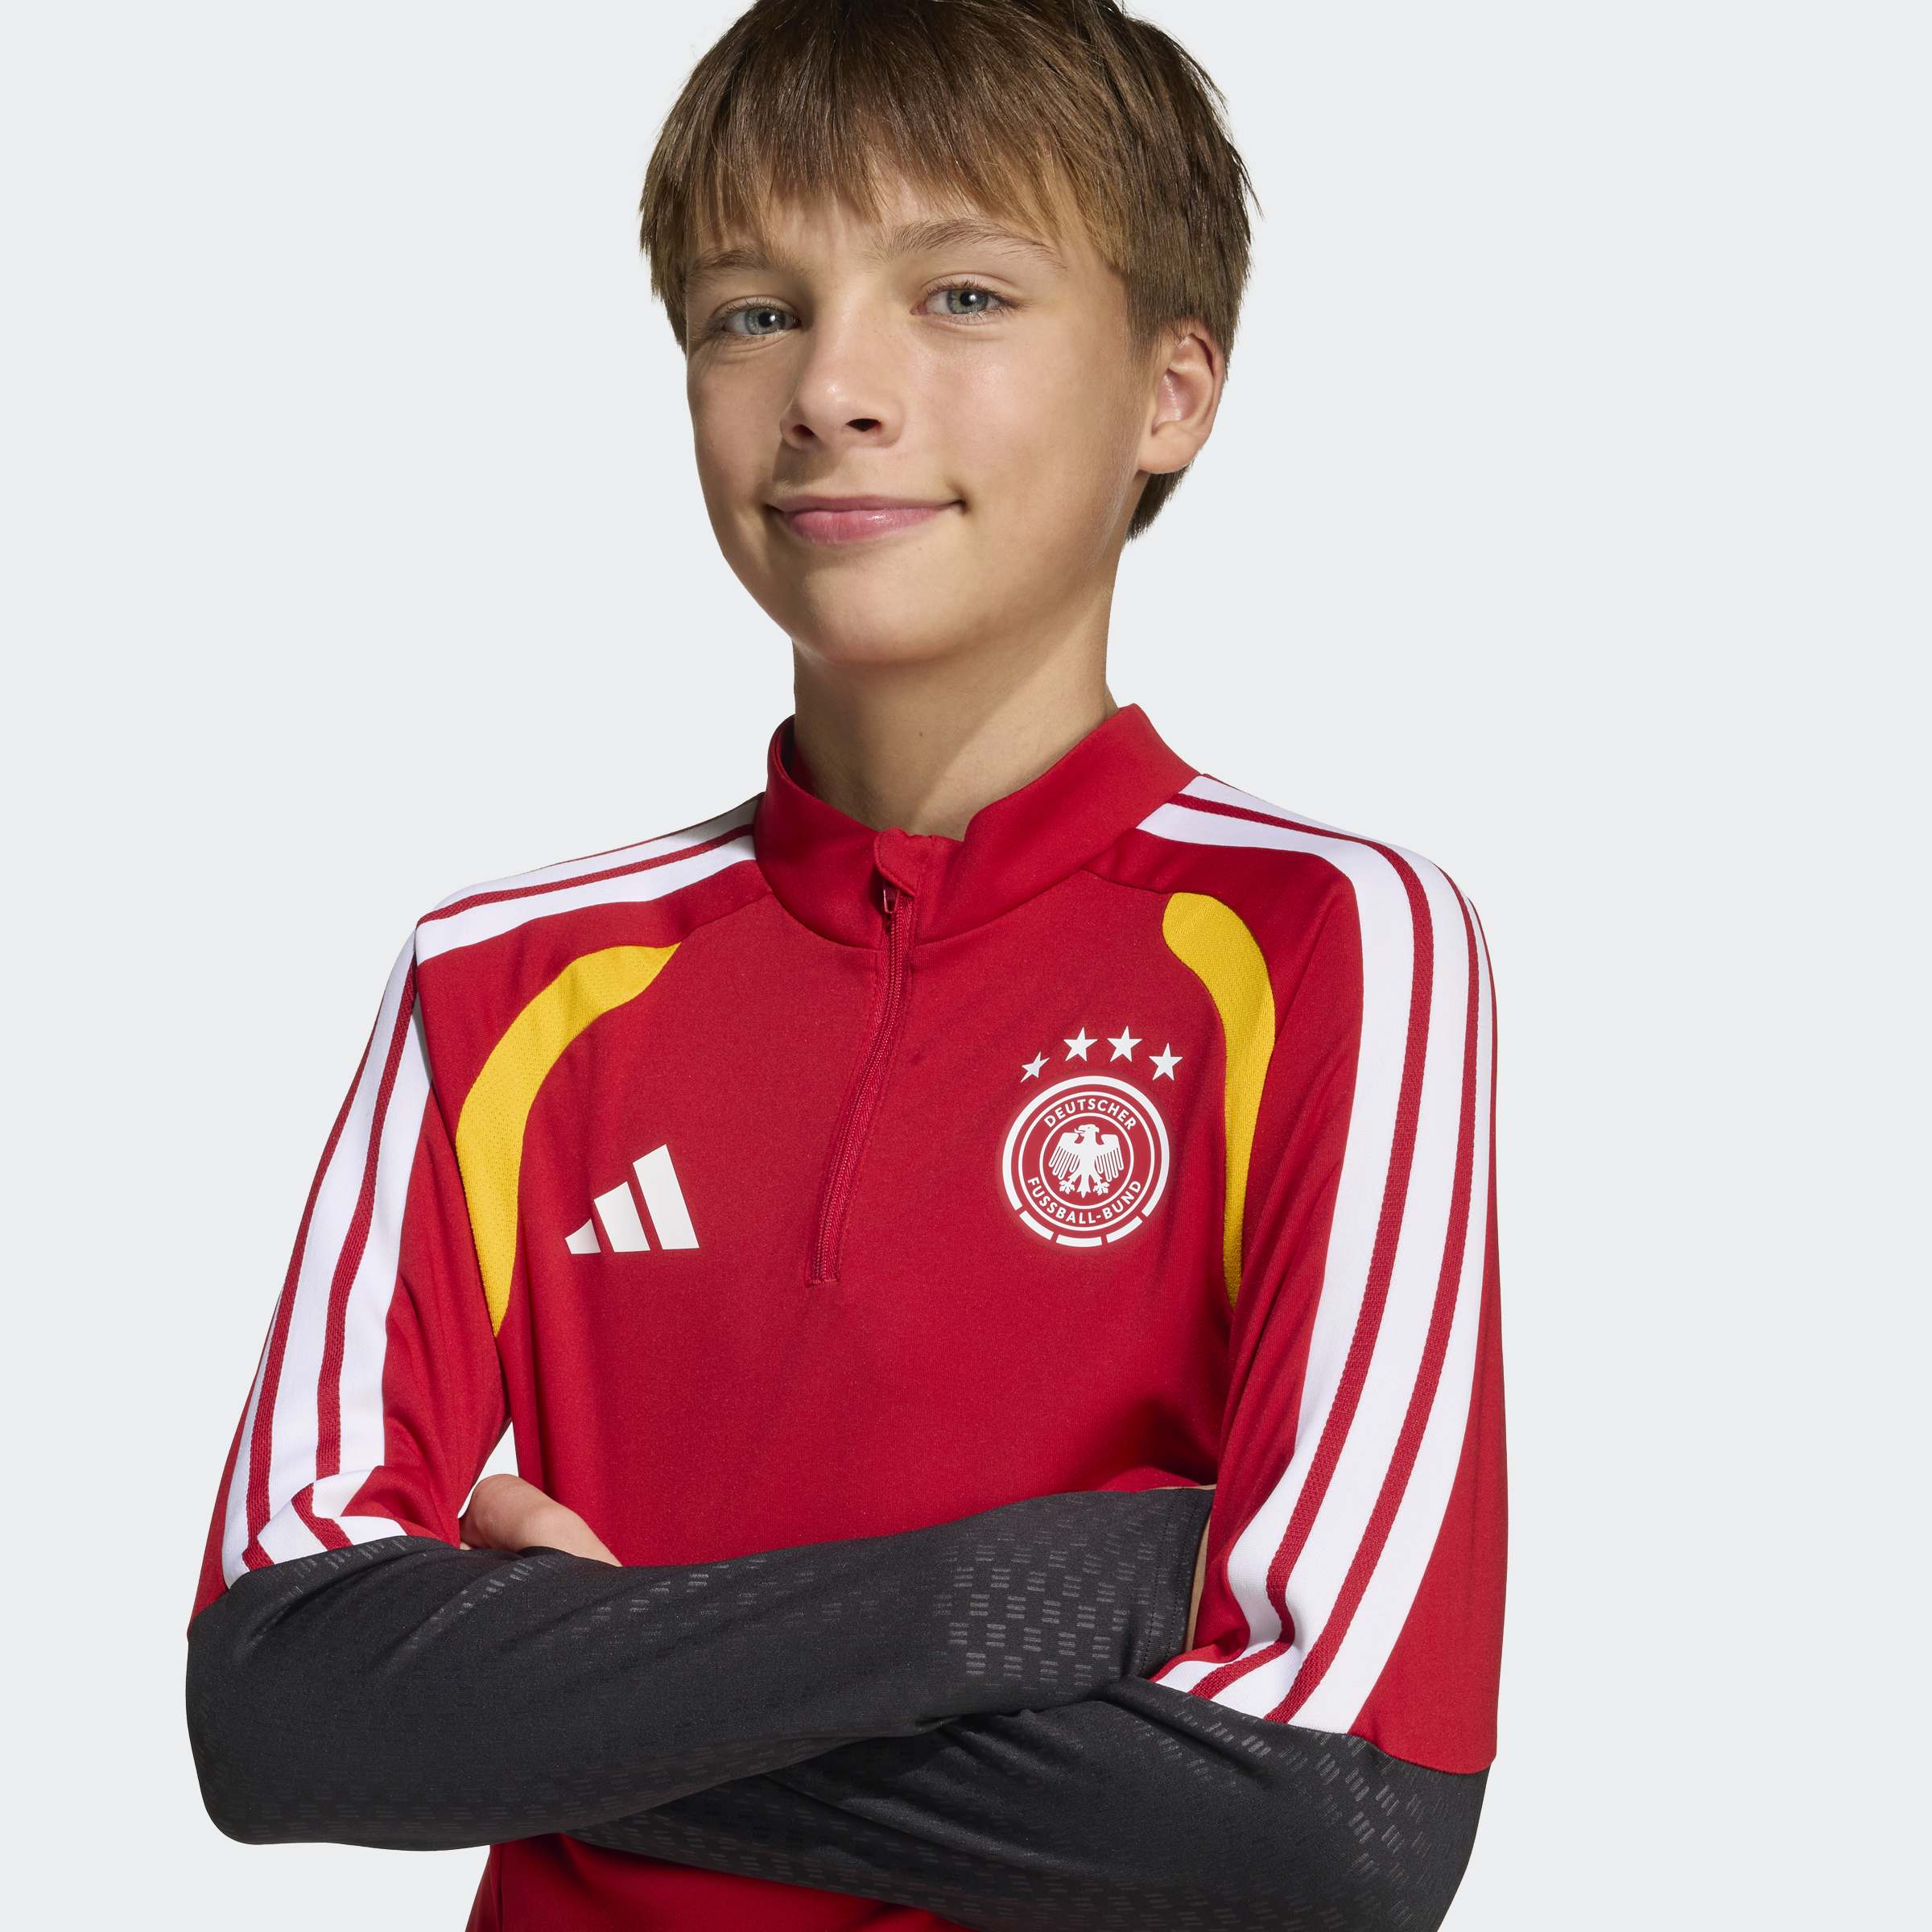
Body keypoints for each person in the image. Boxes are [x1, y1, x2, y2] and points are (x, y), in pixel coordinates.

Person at [184, 2, 1507, 1926]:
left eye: (961, 295)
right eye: (752, 312)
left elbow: (1330, 1829)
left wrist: (574, 1686)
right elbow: (280, 1709)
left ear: (1172, 392)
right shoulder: (505, 980)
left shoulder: (1330, 937)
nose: (832, 389)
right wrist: (1030, 1591)